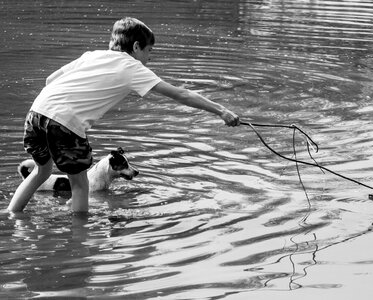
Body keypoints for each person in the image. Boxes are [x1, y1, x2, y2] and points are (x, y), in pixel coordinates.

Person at [8, 17, 240, 213]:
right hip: (65, 124)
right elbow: (180, 94)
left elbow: (50, 80)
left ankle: (12, 214)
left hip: (36, 113)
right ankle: (78, 250)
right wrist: (222, 111)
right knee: (80, 186)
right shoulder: (132, 67)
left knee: (42, 171)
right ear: (137, 47)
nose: (149, 58)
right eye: (149, 51)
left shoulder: (91, 55)